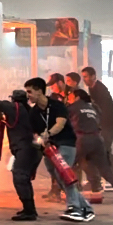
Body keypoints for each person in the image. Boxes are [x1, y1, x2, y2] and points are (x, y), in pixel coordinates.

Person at [25, 77, 94, 222]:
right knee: (59, 177)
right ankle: (86, 207)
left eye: (30, 92)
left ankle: (74, 208)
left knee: (63, 173)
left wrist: (47, 134)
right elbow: (36, 133)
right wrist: (39, 141)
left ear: (39, 91)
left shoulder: (57, 106)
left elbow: (60, 123)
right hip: (50, 148)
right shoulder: (34, 113)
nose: (28, 95)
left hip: (66, 144)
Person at [66, 88, 113, 203]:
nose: (69, 98)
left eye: (70, 96)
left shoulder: (72, 108)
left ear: (77, 97)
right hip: (97, 139)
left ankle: (67, 193)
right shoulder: (94, 107)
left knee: (68, 165)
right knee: (103, 168)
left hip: (82, 139)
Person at [0, 90, 42, 221]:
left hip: (25, 149)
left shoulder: (15, 108)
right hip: (33, 149)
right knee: (23, 178)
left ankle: (30, 211)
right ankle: (29, 208)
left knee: (19, 176)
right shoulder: (28, 110)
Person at [81, 66, 113, 178]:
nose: (84, 79)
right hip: (107, 123)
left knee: (104, 148)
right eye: (83, 77)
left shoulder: (99, 89)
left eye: (86, 76)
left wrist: (99, 124)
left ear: (93, 76)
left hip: (110, 123)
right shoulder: (93, 88)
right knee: (104, 149)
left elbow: (105, 109)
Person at [40, 73, 68, 201]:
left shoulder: (70, 96)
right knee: (52, 163)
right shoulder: (53, 98)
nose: (52, 88)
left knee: (65, 165)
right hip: (55, 135)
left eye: (53, 85)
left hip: (68, 136)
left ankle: (67, 191)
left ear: (60, 83)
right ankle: (55, 190)